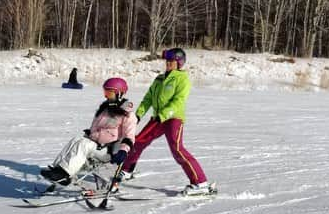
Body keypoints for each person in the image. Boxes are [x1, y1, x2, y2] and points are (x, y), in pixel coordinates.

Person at [121, 48, 213, 195]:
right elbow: (148, 98)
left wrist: (163, 115)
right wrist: (138, 115)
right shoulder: (159, 79)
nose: (168, 63)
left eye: (172, 61)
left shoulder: (182, 79)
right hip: (158, 118)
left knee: (177, 149)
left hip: (173, 119)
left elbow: (179, 101)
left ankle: (200, 182)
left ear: (179, 63)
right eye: (167, 61)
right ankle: (126, 171)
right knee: (138, 142)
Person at [41, 77, 138, 187]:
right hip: (97, 145)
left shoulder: (128, 115)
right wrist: (91, 133)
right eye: (105, 92)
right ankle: (58, 170)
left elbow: (129, 136)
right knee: (77, 139)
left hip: (109, 151)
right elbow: (98, 128)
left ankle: (65, 174)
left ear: (120, 93)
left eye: (109, 94)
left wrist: (123, 151)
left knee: (84, 144)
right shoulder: (106, 109)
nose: (106, 96)